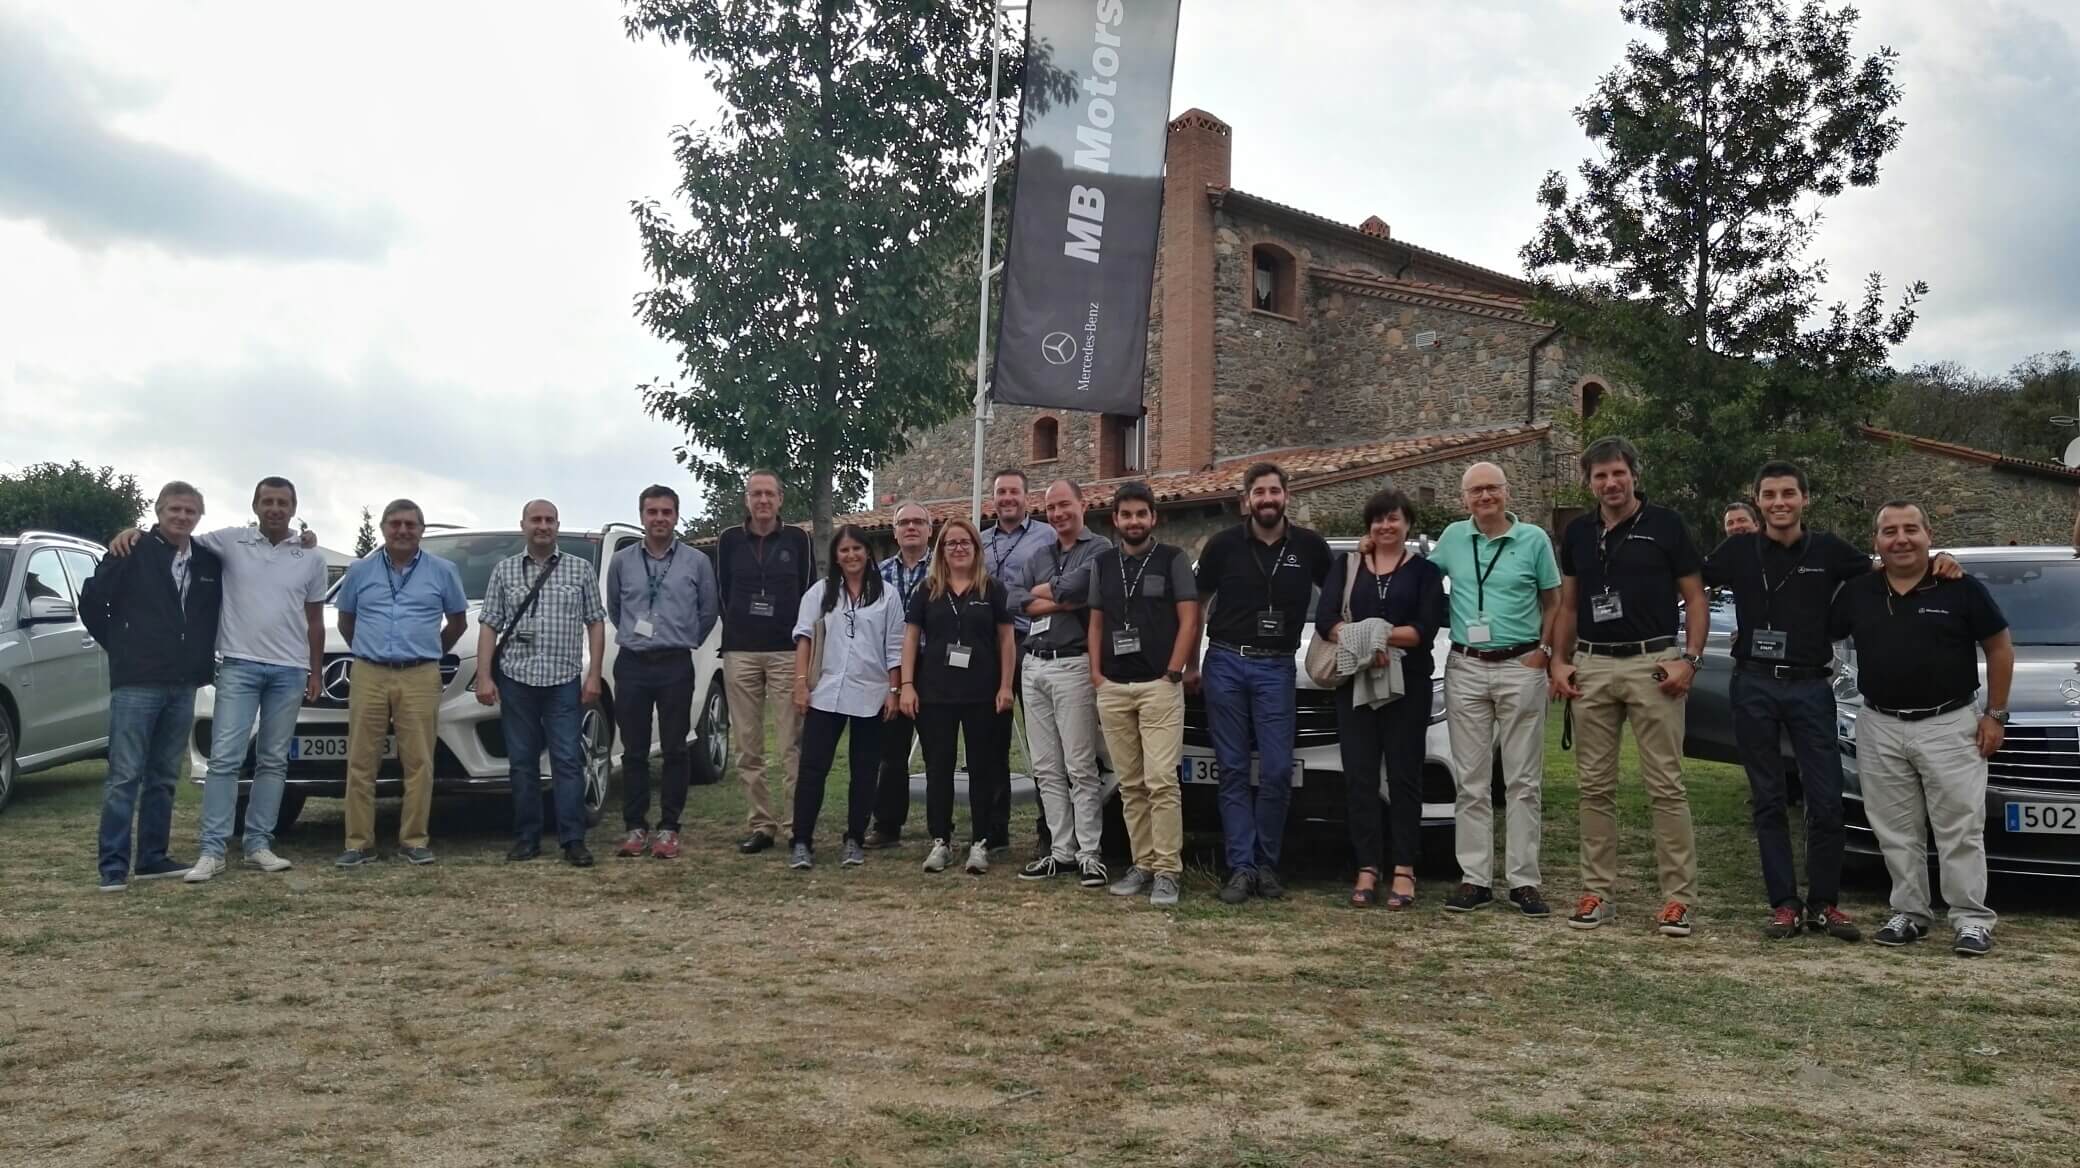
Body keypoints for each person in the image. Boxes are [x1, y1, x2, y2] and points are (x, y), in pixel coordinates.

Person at [107, 477, 327, 883]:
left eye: (283, 502)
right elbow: (174, 533)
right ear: (256, 505)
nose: (275, 508)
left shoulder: (310, 556)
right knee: (224, 759)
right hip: (239, 666)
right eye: (267, 501)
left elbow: (315, 620)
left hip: (290, 671)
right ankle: (212, 849)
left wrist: (315, 670)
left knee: (274, 760)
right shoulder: (228, 541)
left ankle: (259, 843)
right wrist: (133, 532)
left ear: (294, 508)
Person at [1831, 502, 2011, 957]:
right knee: (1895, 829)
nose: (1901, 539)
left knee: (1960, 827)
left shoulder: (1960, 587)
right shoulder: (1857, 592)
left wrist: (1996, 714)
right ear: (1876, 542)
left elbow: (2000, 647)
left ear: (1930, 535)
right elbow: (1823, 638)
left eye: (1911, 529)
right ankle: (1910, 914)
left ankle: (1970, 919)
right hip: (1880, 724)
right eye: (1889, 531)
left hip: (1950, 723)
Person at [1701, 462, 1872, 941]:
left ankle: (1824, 903)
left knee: (1826, 799)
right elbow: (1689, 580)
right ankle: (1784, 903)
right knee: (1769, 799)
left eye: (1789, 494)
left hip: (1810, 686)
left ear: (1805, 499)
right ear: (1757, 501)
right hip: (1753, 684)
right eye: (1770, 495)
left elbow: (1887, 573)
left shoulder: (1830, 550)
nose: (1780, 502)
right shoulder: (1737, 550)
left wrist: (1939, 564)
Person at [1550, 437, 1707, 936]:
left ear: (1634, 475)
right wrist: (1558, 660)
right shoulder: (1577, 533)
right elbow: (1569, 606)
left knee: (1665, 786)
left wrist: (1691, 661)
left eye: (1618, 473)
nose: (1610, 483)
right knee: (1594, 789)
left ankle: (1678, 899)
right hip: (1592, 665)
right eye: (1600, 476)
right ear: (1589, 482)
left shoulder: (1666, 525)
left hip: (1654, 662)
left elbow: (1696, 598)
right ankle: (1597, 892)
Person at [1195, 462, 1334, 905]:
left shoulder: (1310, 547)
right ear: (1247, 500)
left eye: (1274, 491)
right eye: (1259, 492)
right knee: (1233, 770)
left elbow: (1337, 598)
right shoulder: (1222, 546)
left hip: (1277, 666)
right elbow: (1196, 604)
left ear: (1286, 496)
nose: (1267, 499)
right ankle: (1241, 868)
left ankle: (1266, 864)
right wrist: (1190, 664)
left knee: (1275, 770)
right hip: (1225, 663)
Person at [1425, 462, 1559, 916]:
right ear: (1464, 499)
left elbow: (1553, 599)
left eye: (1492, 489)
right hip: (1466, 665)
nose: (1485, 497)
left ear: (1507, 492)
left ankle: (1523, 881)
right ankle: (1475, 878)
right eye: (1475, 491)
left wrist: (1545, 650)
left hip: (1521, 664)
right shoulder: (1452, 539)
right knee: (1471, 781)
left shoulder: (1534, 540)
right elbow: (1419, 578)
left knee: (1523, 780)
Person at [80, 482, 223, 891]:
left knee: (163, 775)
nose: (182, 517)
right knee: (124, 775)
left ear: (199, 516)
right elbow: (91, 602)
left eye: (190, 511)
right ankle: (112, 866)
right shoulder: (131, 549)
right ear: (159, 511)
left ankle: (153, 858)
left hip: (183, 683)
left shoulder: (209, 562)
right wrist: (121, 644)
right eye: (175, 509)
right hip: (137, 681)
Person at [1320, 488, 1446, 910]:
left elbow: (1423, 630)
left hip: (1407, 686)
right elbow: (1326, 621)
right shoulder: (1349, 565)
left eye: (1393, 518)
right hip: (1356, 684)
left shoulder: (1424, 573)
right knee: (1360, 780)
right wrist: (1364, 641)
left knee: (1405, 778)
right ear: (1368, 525)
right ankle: (1367, 867)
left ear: (1407, 523)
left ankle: (1405, 869)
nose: (1385, 526)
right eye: (1378, 519)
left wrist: (1376, 635)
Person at [333, 499, 468, 867]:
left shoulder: (443, 571)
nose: (403, 531)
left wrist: (429, 652)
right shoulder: (360, 571)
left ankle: (414, 840)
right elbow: (347, 620)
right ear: (382, 528)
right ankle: (358, 843)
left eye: (410, 524)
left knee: (419, 761)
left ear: (422, 530)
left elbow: (457, 623)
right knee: (361, 760)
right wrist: (368, 650)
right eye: (395, 524)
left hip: (421, 673)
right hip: (369, 672)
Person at [475, 499, 607, 868]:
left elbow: (595, 622)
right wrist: (485, 676)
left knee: (567, 760)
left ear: (558, 525)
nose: (543, 526)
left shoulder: (580, 570)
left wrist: (594, 673)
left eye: (549, 520)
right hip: (517, 679)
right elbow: (489, 624)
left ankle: (573, 839)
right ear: (523, 525)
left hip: (563, 678)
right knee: (521, 762)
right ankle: (527, 837)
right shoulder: (504, 572)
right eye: (536, 520)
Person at [1086, 482, 1199, 908]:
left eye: (1141, 514)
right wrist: (1097, 674)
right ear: (1114, 520)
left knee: (1161, 782)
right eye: (1126, 515)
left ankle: (1169, 870)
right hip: (1114, 687)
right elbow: (1096, 622)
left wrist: (1174, 671)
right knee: (1130, 784)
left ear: (1154, 518)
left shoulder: (1173, 560)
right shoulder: (1103, 564)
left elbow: (1189, 618)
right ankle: (1143, 863)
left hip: (1158, 687)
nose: (1134, 521)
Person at [605, 485, 719, 860]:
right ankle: (635, 827)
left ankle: (669, 828)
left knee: (674, 747)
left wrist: (685, 640)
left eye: (666, 512)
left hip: (674, 663)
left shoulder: (696, 562)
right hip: (633, 663)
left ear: (676, 516)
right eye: (652, 512)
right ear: (641, 516)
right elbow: (616, 606)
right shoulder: (622, 561)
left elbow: (708, 610)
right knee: (634, 751)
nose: (659, 519)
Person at [1010, 479, 1113, 888]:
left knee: (1080, 766)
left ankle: (1091, 853)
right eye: (1050, 508)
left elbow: (1083, 588)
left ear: (1082, 505)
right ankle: (1061, 851)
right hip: (1033, 664)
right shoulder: (1038, 553)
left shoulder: (1100, 549)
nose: (1057, 514)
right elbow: (1012, 597)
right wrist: (1061, 599)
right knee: (1045, 767)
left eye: (1064, 505)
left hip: (1073, 663)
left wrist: (1046, 596)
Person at [899, 517, 1016, 875]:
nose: (959, 548)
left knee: (983, 769)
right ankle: (941, 841)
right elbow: (909, 639)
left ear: (976, 549)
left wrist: (1006, 686)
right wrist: (906, 685)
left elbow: (1007, 640)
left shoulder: (992, 589)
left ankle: (980, 841)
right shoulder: (927, 590)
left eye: (965, 542)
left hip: (983, 693)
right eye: (951, 543)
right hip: (935, 694)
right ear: (942, 550)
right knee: (938, 769)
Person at [787, 526, 904, 870]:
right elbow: (804, 638)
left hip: (870, 693)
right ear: (836, 556)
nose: (851, 555)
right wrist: (799, 685)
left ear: (867, 552)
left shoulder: (887, 595)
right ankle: (802, 840)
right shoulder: (820, 593)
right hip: (825, 693)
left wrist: (894, 691)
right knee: (813, 769)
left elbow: (895, 646)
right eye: (844, 550)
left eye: (856, 549)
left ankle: (854, 837)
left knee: (865, 771)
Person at [717, 470, 816, 854]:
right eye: (755, 494)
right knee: (747, 744)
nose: (762, 500)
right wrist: (740, 624)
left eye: (769, 494)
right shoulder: (729, 540)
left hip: (786, 651)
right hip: (740, 650)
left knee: (791, 743)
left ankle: (795, 826)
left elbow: (808, 591)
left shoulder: (797, 540)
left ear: (780, 499)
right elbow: (722, 590)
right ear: (746, 499)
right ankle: (761, 824)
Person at [983, 467, 1054, 856]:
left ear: (1027, 498)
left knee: (1042, 740)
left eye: (1013, 491)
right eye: (1000, 492)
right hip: (990, 647)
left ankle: (1049, 830)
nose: (1007, 498)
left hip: (1033, 640)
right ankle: (996, 829)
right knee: (993, 741)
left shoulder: (1047, 536)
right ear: (992, 498)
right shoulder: (981, 541)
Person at [864, 500, 933, 849]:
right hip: (891, 669)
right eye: (904, 522)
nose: (911, 527)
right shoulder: (878, 574)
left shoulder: (944, 568)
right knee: (891, 751)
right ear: (893, 531)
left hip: (935, 667)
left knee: (937, 750)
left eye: (918, 522)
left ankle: (940, 825)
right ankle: (887, 825)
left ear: (929, 530)